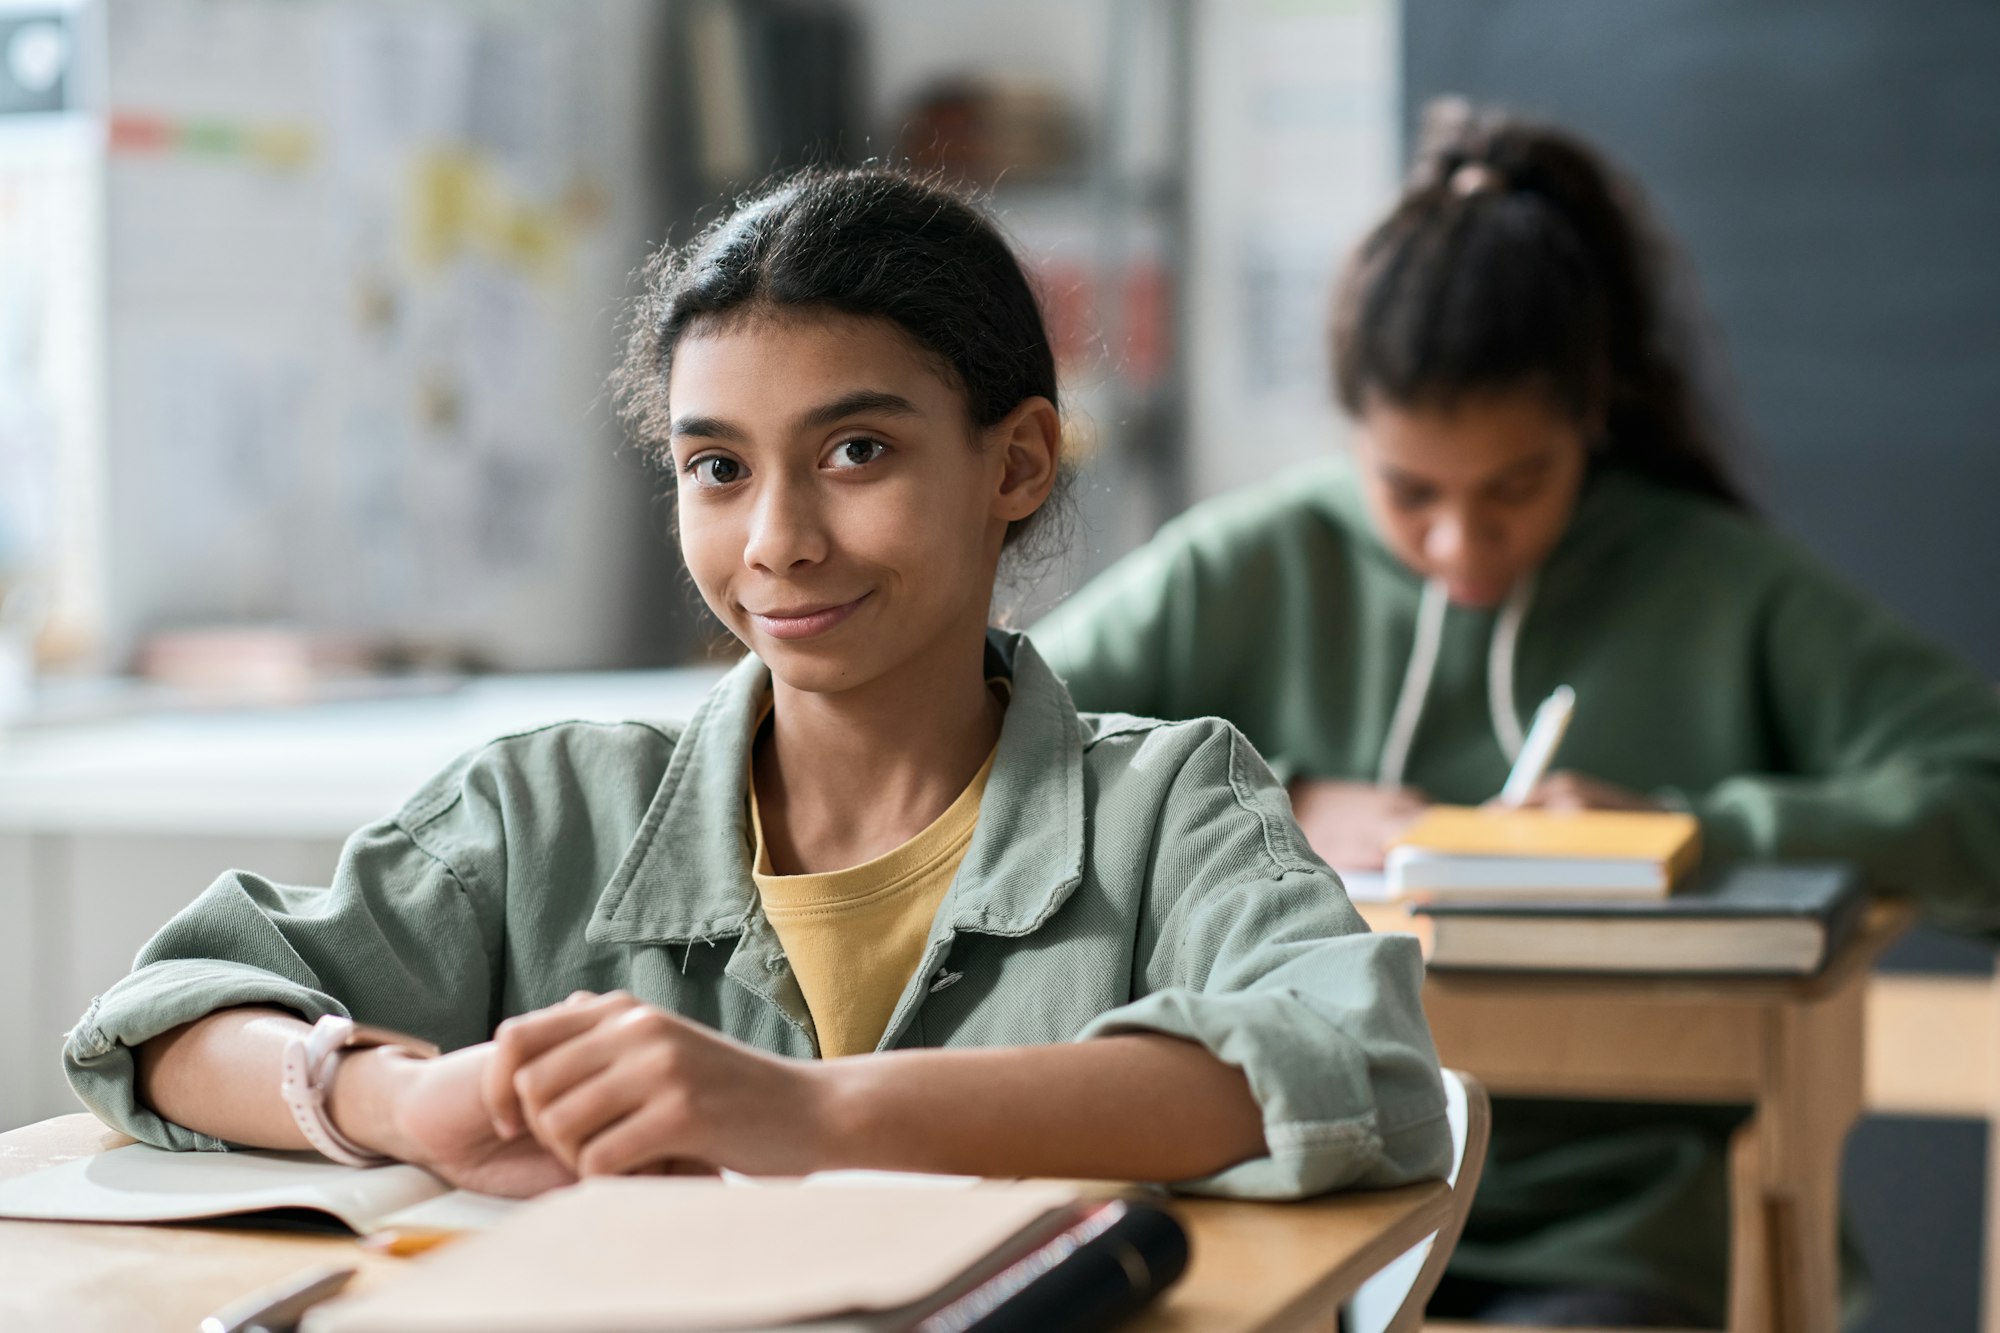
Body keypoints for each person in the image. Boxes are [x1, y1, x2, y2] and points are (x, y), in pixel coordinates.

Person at [64, 168, 1448, 1205]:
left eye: (856, 451)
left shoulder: (1170, 806)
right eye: (717, 468)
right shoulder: (541, 811)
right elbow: (174, 1017)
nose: (777, 539)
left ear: (1017, 465)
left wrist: (816, 1115)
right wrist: (406, 1100)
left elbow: (1350, 1065)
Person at [1032, 99, 2000, 1326]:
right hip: (1292, 1188)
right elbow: (981, 741)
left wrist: (1686, 829)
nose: (1459, 541)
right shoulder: (1249, 564)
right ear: (1350, 433)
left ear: (1589, 415)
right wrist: (1264, 795)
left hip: (1613, 1237)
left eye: (1515, 487)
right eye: (1409, 491)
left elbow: (1980, 787)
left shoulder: (1712, 580)